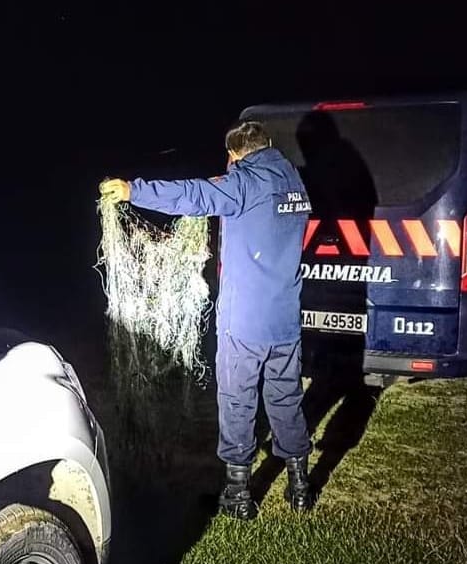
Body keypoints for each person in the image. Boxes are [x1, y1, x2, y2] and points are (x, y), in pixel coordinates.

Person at [100, 120, 313, 519]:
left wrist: (133, 190)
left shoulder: (243, 184)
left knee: (238, 400)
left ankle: (238, 494)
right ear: (267, 145)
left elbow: (193, 194)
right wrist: (231, 181)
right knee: (286, 398)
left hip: (244, 321)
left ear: (234, 156)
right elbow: (255, 202)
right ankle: (300, 485)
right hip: (284, 318)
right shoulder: (293, 183)